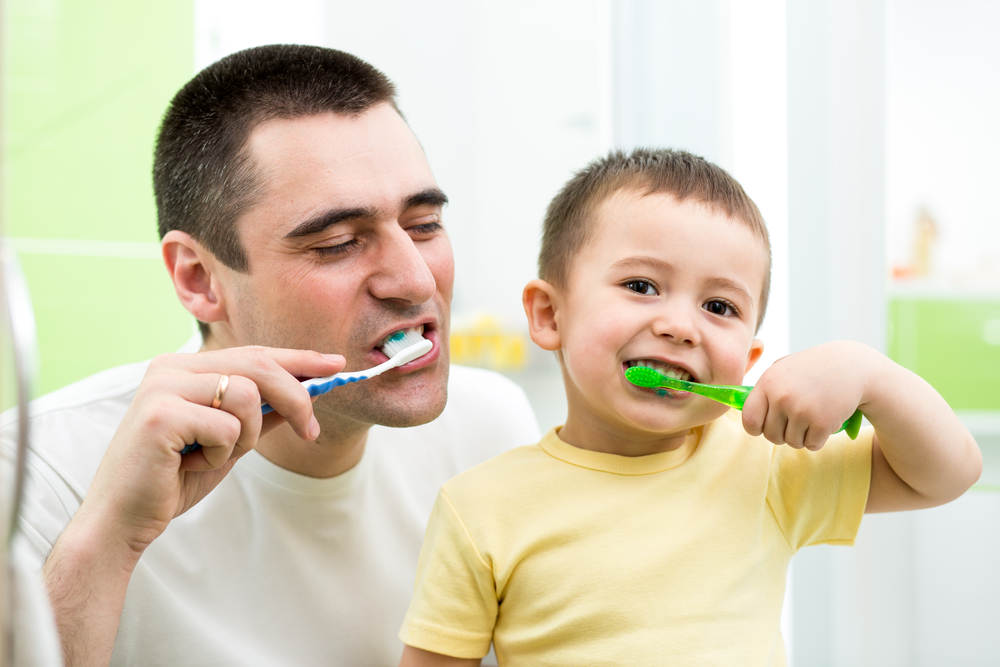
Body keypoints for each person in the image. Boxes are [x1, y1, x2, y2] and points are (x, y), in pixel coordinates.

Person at [0, 45, 539, 667]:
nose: (416, 280)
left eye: (423, 224)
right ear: (200, 278)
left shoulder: (491, 429)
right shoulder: (41, 478)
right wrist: (107, 543)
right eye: (339, 244)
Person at [396, 149, 982, 666]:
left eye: (720, 306)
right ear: (550, 315)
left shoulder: (766, 464)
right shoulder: (480, 510)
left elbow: (947, 474)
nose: (680, 326)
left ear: (748, 359)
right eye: (642, 286)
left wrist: (872, 375)